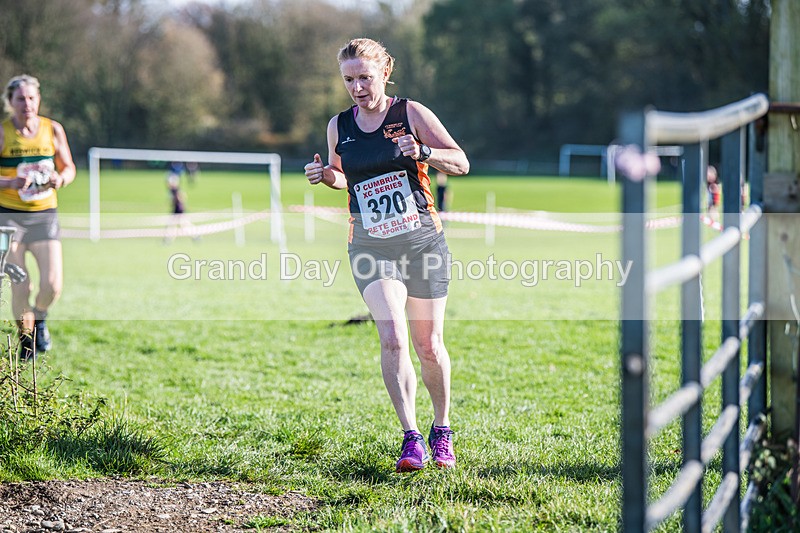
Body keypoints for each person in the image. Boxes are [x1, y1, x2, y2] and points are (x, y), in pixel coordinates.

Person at [304, 38, 470, 472]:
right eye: (349, 80)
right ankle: (411, 437)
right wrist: (325, 176)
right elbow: (344, 177)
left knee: (428, 345)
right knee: (393, 336)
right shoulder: (339, 125)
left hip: (421, 242)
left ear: (384, 71)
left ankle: (442, 429)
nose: (357, 87)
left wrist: (426, 153)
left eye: (364, 77)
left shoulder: (410, 113)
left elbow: (462, 161)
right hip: (371, 246)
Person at [0, 74, 76, 359]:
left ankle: (40, 319)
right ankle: (26, 340)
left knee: (52, 285)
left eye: (32, 98)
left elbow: (69, 167)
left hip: (44, 215)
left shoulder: (52, 130)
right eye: (20, 99)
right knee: (22, 285)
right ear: (10, 102)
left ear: (39, 100)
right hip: (8, 218)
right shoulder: (3, 133)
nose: (27, 104)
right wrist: (8, 183)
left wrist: (61, 179)